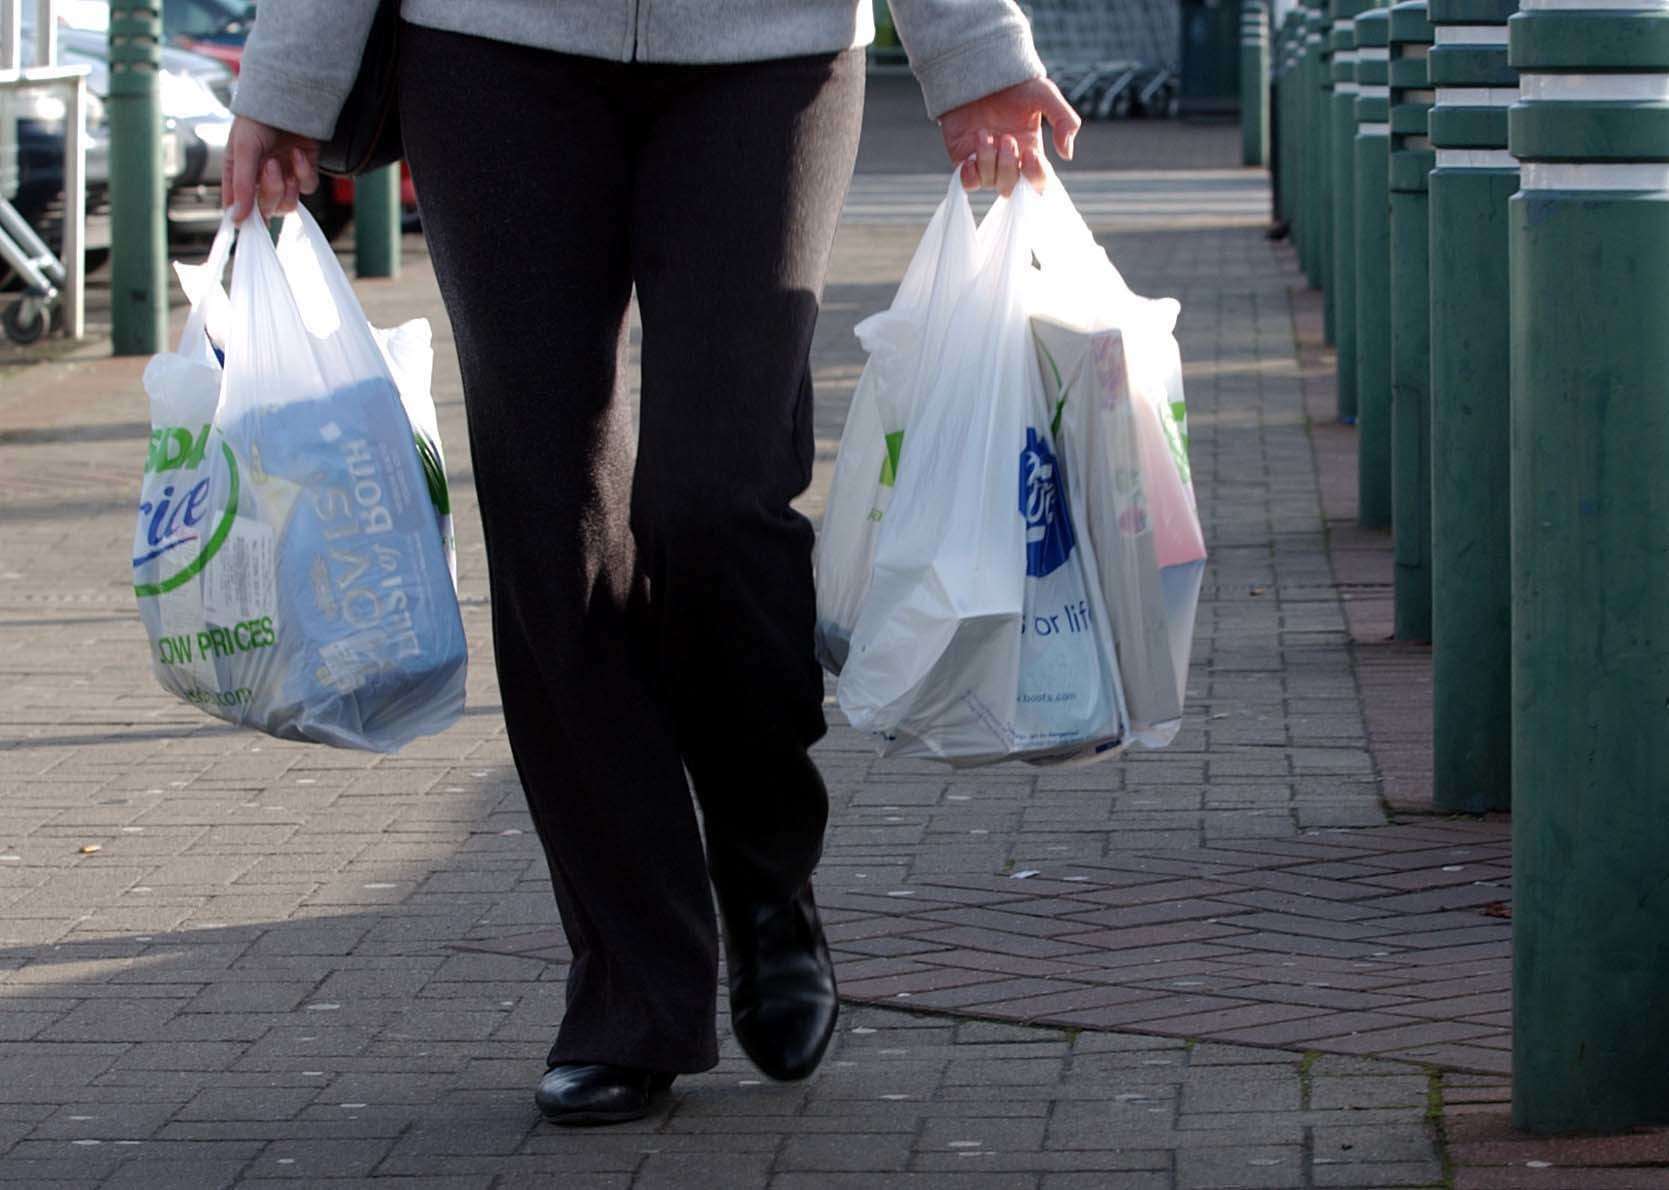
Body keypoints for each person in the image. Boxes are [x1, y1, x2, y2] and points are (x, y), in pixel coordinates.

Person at [225, 0, 1080, 1127]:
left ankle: (766, 875)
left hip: (765, 52)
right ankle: (632, 990)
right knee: (554, 521)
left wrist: (970, 47)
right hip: (490, 54)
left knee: (716, 501)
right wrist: (289, 77)